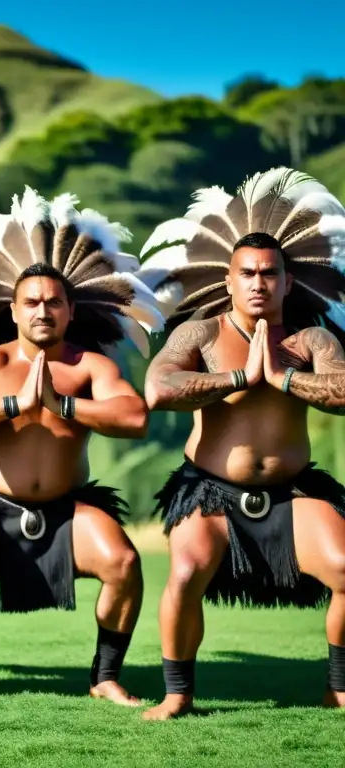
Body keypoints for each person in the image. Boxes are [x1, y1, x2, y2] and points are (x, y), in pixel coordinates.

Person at [0, 188, 167, 705]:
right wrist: (13, 406)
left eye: (54, 303)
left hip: (68, 506)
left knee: (123, 564)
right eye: (31, 303)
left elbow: (135, 417)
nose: (43, 311)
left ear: (70, 310)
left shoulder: (91, 366)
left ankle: (104, 677)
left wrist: (62, 406)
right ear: (13, 311)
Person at [136, 167, 345, 719]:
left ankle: (339, 688)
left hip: (294, 491)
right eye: (247, 273)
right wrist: (238, 380)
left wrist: (282, 378)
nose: (258, 283)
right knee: (184, 573)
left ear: (287, 282)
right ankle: (178, 694)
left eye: (269, 273)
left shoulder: (311, 340)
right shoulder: (199, 334)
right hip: (208, 491)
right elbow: (158, 388)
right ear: (228, 281)